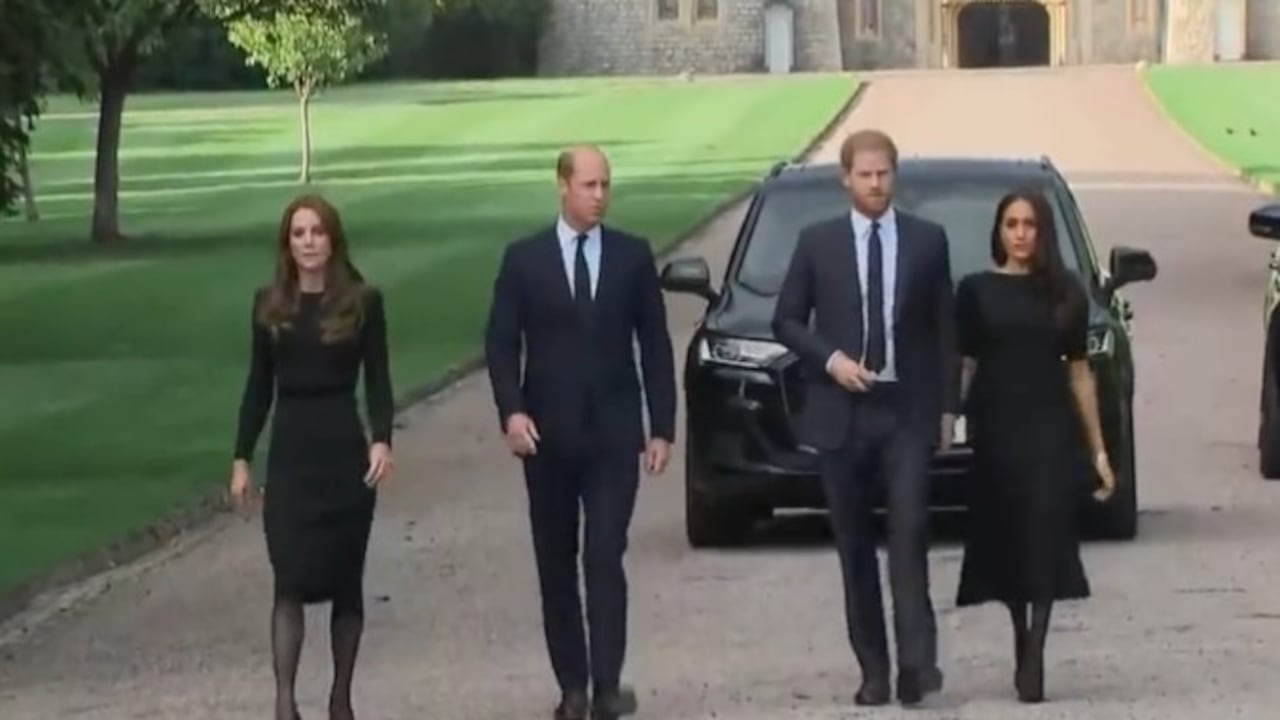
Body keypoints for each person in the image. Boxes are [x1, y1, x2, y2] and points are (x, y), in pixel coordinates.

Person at [483, 145, 677, 720]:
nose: (600, 196)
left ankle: (607, 684)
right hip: (547, 437)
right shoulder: (525, 260)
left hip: (614, 435)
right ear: (562, 186)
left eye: (605, 185)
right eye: (590, 185)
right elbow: (500, 343)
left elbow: (656, 344)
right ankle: (572, 684)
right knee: (556, 562)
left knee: (603, 555)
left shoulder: (632, 256)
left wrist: (662, 426)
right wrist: (512, 412)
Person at [771, 129, 957, 707]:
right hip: (842, 410)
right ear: (845, 178)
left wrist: (948, 407)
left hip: (906, 410)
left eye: (884, 174)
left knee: (910, 532)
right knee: (854, 545)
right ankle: (873, 669)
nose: (876, 184)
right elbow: (786, 320)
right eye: (865, 175)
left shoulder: (927, 241)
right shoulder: (818, 242)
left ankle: (916, 663)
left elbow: (944, 328)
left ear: (895, 175)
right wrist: (831, 361)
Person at [229, 194, 395, 720]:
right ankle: (285, 703)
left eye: (317, 232)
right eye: (299, 234)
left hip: (342, 449)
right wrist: (241, 457)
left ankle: (341, 698)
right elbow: (258, 386)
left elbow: (379, 379)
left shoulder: (363, 303)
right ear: (287, 243)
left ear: (332, 239)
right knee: (289, 579)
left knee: (347, 580)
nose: (308, 242)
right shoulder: (269, 306)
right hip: (291, 454)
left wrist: (382, 438)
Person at [953, 189, 1116, 704]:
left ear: (1043, 232)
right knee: (1008, 533)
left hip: (1050, 427)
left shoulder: (1066, 292)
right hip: (996, 426)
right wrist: (950, 419)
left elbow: (1080, 373)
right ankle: (1020, 633)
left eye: (1029, 224)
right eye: (1011, 224)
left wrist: (1098, 450)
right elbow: (965, 362)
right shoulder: (975, 290)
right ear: (999, 231)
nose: (1020, 234)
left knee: (1047, 530)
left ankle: (1037, 648)